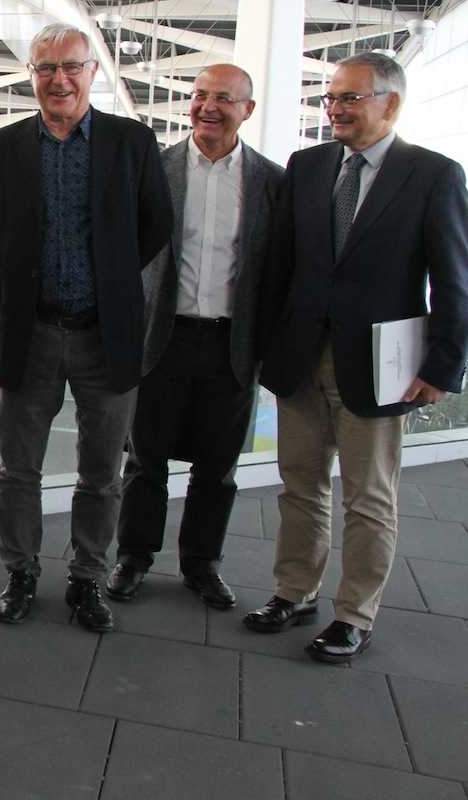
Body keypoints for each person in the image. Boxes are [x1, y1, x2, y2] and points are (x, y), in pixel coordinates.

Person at [245, 51, 468, 662]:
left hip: (379, 367)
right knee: (300, 485)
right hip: (299, 357)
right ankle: (294, 591)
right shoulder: (309, 165)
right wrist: (267, 349)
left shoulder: (433, 174)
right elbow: (280, 268)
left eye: (350, 98)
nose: (336, 110)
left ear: (390, 103)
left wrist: (443, 368)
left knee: (369, 497)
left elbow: (454, 280)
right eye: (331, 99)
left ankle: (354, 615)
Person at [0, 22, 172, 632]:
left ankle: (88, 578)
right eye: (45, 68)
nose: (58, 79)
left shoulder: (131, 141)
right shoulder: (3, 146)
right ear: (31, 74)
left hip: (105, 332)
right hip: (29, 330)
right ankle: (22, 572)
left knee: (102, 471)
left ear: (93, 72)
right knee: (18, 469)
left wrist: (109, 279)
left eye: (71, 67)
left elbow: (156, 223)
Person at [105, 64, 284, 609]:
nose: (208, 106)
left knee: (218, 467)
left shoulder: (272, 182)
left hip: (233, 344)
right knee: (144, 461)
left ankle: (201, 564)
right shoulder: (153, 171)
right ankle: (133, 557)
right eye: (200, 95)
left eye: (223, 99)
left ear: (247, 110)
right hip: (161, 338)